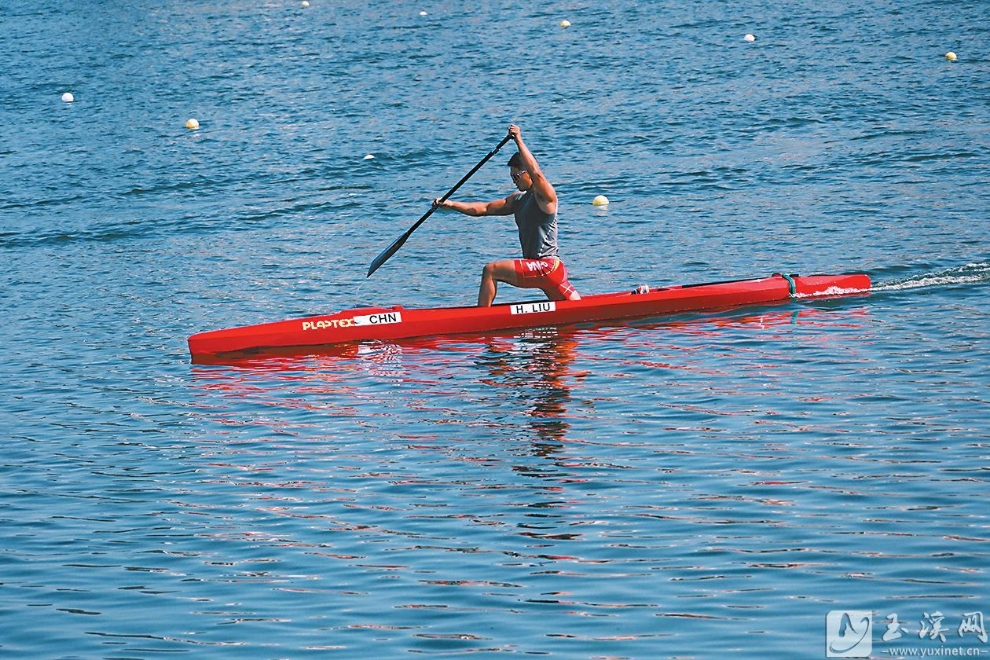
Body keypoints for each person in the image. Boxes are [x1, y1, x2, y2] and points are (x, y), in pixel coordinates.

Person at [433, 124, 581, 307]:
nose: (514, 181)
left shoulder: (545, 197)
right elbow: (485, 208)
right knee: (576, 307)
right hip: (543, 270)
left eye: (517, 176)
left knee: (491, 270)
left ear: (527, 173)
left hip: (547, 267)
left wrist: (518, 140)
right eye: (512, 178)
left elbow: (538, 174)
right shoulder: (517, 200)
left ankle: (481, 320)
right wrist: (452, 204)